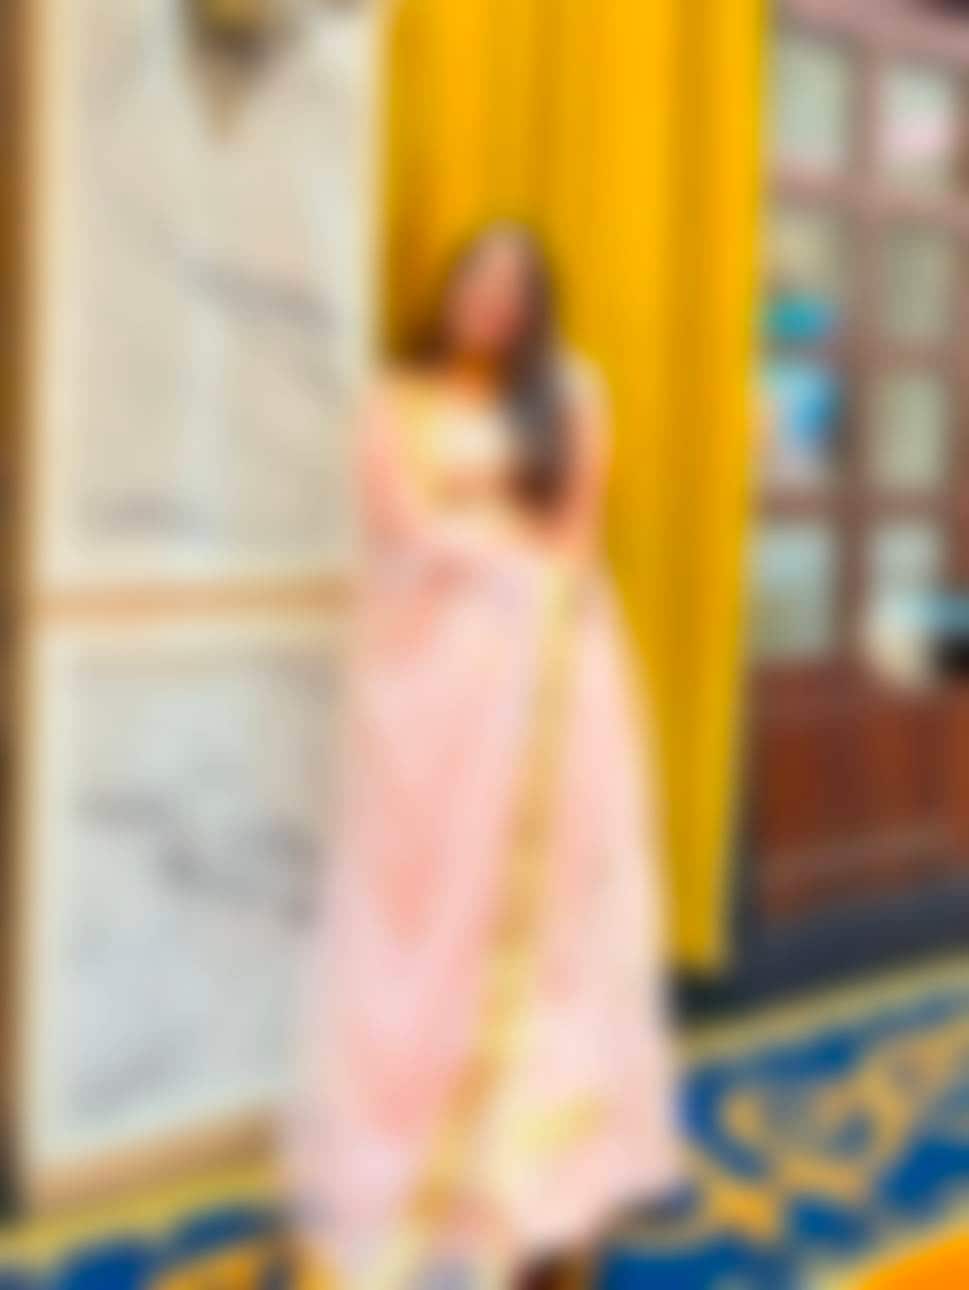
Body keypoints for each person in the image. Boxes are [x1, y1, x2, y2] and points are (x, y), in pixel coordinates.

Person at [290, 223, 680, 1289]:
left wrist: (512, 571)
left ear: (535, 304)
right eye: (480, 277)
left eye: (518, 286)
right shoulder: (396, 400)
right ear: (450, 284)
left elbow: (574, 539)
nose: (495, 300)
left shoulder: (568, 394)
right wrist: (494, 555)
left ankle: (542, 1176)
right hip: (427, 694)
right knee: (426, 911)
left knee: (552, 919)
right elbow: (399, 525)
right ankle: (426, 1163)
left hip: (549, 687)